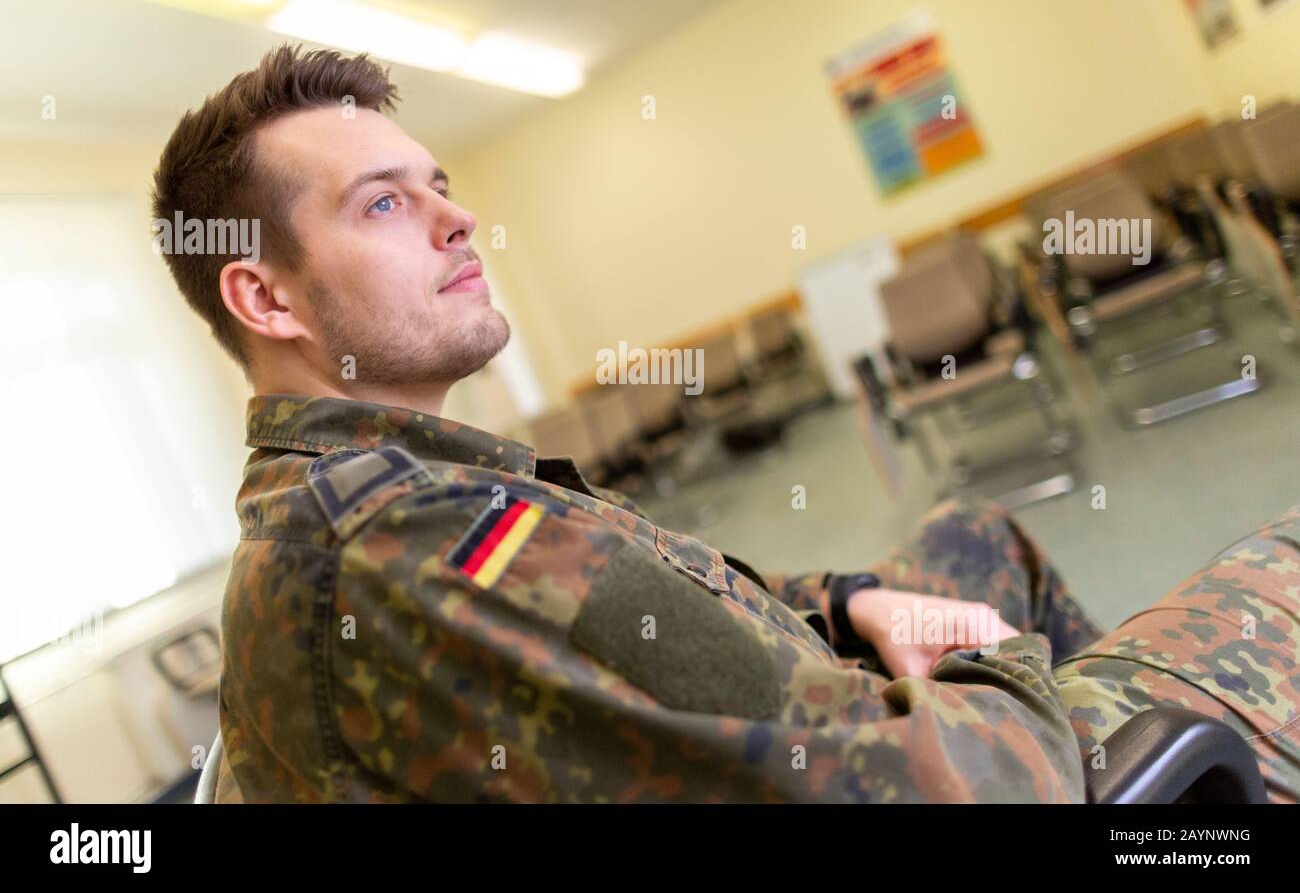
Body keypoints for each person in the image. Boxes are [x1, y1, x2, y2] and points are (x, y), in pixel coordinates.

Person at [153, 45, 1299, 802]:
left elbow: (666, 608)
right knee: (1282, 570)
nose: (457, 220)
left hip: (829, 717)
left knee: (967, 531)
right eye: (387, 203)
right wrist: (995, 672)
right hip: (925, 775)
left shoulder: (390, 493)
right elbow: (919, 784)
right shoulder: (405, 549)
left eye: (441, 182)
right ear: (267, 295)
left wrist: (847, 602)